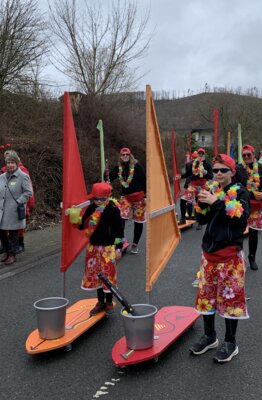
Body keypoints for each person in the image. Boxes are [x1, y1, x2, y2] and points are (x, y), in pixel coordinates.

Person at [190, 154, 250, 363]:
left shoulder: (240, 192)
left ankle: (230, 342)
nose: (218, 174)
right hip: (209, 255)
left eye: (222, 170)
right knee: (207, 299)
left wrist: (217, 203)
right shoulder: (212, 189)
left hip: (230, 257)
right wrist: (201, 204)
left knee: (230, 301)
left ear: (232, 172)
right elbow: (203, 219)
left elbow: (239, 223)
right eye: (215, 170)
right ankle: (209, 336)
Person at [76, 182, 124, 315]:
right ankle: (100, 302)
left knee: (107, 276)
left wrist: (119, 248)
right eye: (95, 199)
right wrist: (75, 218)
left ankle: (109, 301)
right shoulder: (91, 208)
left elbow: (119, 230)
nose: (98, 202)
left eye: (102, 199)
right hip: (93, 247)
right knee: (97, 275)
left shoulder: (113, 210)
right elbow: (82, 225)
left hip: (108, 248)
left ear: (108, 197)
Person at [107, 147, 146, 254]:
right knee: (120, 219)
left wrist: (146, 196)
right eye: (123, 155)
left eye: (127, 155)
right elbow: (108, 178)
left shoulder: (137, 166)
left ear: (130, 156)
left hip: (139, 198)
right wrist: (105, 173)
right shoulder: (119, 168)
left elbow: (144, 180)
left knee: (138, 221)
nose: (125, 156)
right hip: (126, 198)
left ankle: (135, 244)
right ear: (120, 156)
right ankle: (120, 242)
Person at [0, 152, 33, 265]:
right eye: (8, 162)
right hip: (2, 210)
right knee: (2, 232)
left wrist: (19, 201)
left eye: (12, 162)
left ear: (16, 163)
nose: (10, 165)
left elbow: (29, 192)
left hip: (14, 210)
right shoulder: (2, 177)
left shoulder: (23, 176)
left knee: (13, 233)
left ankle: (12, 254)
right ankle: (6, 251)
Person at [235, 145, 262, 270]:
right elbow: (236, 186)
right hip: (242, 204)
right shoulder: (239, 169)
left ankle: (252, 257)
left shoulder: (260, 168)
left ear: (253, 154)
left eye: (248, 154)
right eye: (244, 155)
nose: (246, 157)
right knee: (237, 231)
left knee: (253, 233)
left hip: (256, 206)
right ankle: (237, 258)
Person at [179, 148, 213, 229]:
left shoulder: (207, 164)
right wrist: (180, 176)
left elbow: (211, 176)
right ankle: (183, 218)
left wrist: (205, 172)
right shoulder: (193, 163)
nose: (201, 156)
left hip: (203, 185)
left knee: (200, 203)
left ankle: (200, 222)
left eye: (202, 154)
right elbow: (188, 174)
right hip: (193, 185)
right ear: (197, 155)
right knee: (183, 200)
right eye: (199, 154)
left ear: (204, 155)